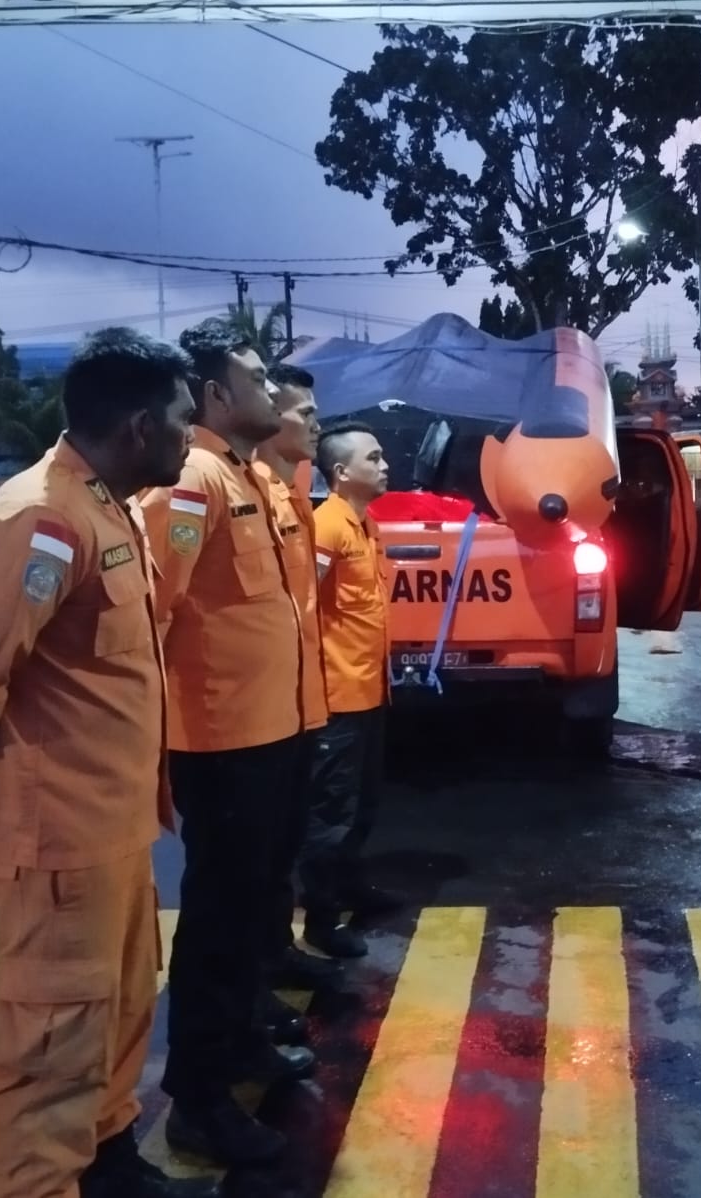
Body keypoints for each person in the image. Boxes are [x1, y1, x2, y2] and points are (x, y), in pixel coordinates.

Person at [0, 327, 216, 1198]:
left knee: (117, 1012)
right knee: (50, 1046)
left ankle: (109, 1163)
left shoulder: (108, 506)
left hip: (114, 829)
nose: (190, 435)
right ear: (136, 424)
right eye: (180, 418)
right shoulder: (43, 518)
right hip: (56, 839)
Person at [140, 318, 317, 1168]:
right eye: (253, 378)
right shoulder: (192, 485)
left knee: (255, 911)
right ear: (215, 393)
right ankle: (197, 1100)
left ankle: (243, 1041)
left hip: (272, 731)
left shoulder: (248, 475)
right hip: (222, 742)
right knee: (217, 922)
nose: (272, 393)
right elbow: (155, 608)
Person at [248, 362, 332, 1039]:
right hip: (235, 730)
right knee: (232, 894)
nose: (316, 422)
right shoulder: (205, 489)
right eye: (304, 411)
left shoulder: (283, 490)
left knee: (276, 863)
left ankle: (271, 966)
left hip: (288, 711)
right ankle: (238, 1022)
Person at [301, 422, 398, 959]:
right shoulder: (327, 528)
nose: (385, 466)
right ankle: (320, 921)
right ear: (341, 472)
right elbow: (305, 609)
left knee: (361, 806)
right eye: (375, 457)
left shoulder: (366, 524)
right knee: (330, 816)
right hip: (338, 697)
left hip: (369, 690)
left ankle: (350, 890)